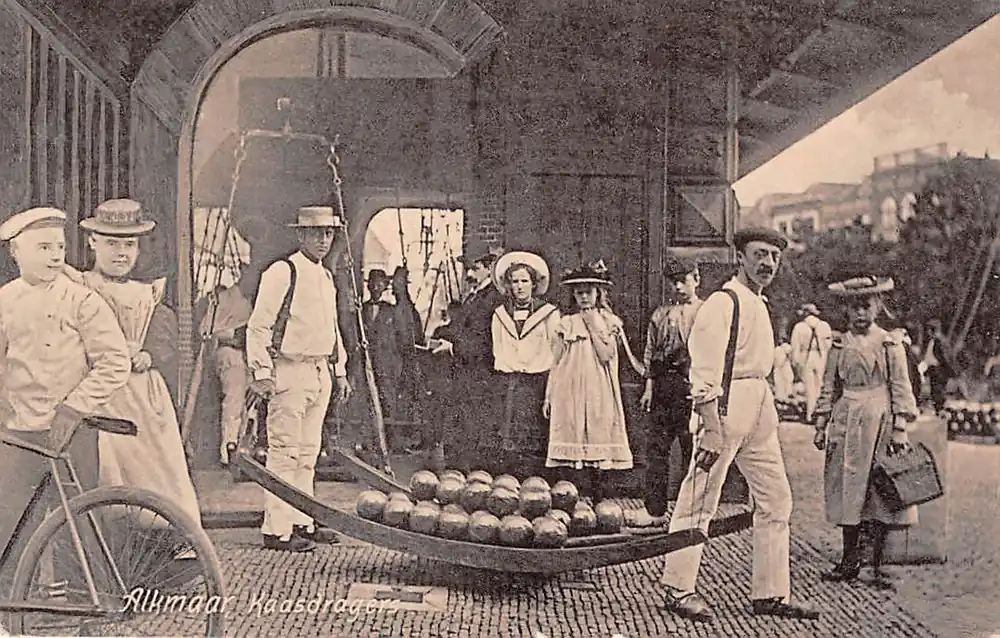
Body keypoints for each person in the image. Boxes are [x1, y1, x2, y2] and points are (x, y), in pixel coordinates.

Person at [659, 227, 819, 622]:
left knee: (776, 500)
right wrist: (711, 427)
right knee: (699, 499)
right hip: (725, 406)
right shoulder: (723, 302)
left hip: (759, 408)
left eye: (774, 257)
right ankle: (678, 589)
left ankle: (771, 593)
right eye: (760, 254)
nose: (767, 263)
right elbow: (703, 370)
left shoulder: (759, 303)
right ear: (741, 257)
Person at [0, 207, 131, 582]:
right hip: (20, 431)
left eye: (59, 247)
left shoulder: (82, 301)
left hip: (72, 433)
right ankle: (13, 602)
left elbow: (115, 362)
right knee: (11, 522)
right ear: (16, 252)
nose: (55, 256)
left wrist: (74, 408)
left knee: (79, 522)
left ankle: (86, 599)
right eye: (43, 248)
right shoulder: (5, 300)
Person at [70, 199, 201, 526]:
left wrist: (150, 353)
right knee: (107, 464)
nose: (121, 253)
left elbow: (164, 333)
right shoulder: (80, 286)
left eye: (129, 245)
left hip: (143, 394)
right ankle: (110, 537)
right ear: (92, 242)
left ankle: (168, 532)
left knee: (157, 466)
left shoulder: (147, 292)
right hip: (100, 386)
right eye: (111, 244)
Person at [247, 206, 351, 553]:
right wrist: (262, 372)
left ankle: (303, 521)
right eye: (315, 233)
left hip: (319, 371)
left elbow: (332, 328)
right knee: (284, 452)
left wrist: (339, 370)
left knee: (308, 453)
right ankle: (276, 529)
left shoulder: (326, 277)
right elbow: (259, 325)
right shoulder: (283, 271)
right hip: (289, 370)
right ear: (300, 235)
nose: (323, 240)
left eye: (328, 233)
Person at [813, 276, 918, 591]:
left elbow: (900, 385)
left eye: (866, 306)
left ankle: (879, 562)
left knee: (880, 489)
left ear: (878, 306)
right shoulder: (839, 344)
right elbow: (829, 385)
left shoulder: (889, 343)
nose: (860, 313)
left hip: (879, 418)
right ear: (846, 310)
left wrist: (900, 427)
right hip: (847, 418)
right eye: (854, 307)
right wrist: (821, 423)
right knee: (848, 488)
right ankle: (849, 560)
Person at [544, 260, 633, 500]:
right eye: (579, 293)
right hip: (570, 387)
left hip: (598, 387)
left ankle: (598, 497)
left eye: (588, 292)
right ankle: (570, 497)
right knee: (571, 432)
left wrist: (593, 324)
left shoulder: (609, 322)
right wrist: (549, 395)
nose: (584, 297)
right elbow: (556, 362)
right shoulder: (566, 324)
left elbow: (606, 355)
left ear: (598, 293)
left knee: (597, 432)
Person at [627, 256, 701, 528]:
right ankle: (655, 511)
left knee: (692, 449)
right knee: (657, 450)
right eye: (673, 282)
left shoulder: (706, 312)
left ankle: (691, 514)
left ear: (696, 279)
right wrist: (649, 387)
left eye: (683, 280)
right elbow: (651, 352)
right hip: (663, 386)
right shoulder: (661, 314)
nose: (678, 287)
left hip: (693, 385)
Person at [430, 243, 503, 473]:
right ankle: (457, 474)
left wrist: (453, 348)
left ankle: (469, 476)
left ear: (489, 268)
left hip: (479, 374)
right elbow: (461, 328)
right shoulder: (474, 296)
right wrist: (442, 336)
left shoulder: (492, 299)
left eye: (475, 268)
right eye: (468, 268)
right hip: (463, 372)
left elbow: (484, 340)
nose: (469, 273)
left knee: (473, 426)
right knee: (460, 424)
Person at [490, 251, 560, 479]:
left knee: (535, 434)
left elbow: (555, 350)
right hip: (510, 381)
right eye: (515, 281)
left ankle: (536, 481)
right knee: (509, 434)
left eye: (524, 281)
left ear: (533, 284)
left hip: (538, 382)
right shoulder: (500, 315)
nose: (519, 287)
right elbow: (499, 348)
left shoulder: (548, 313)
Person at [198, 273, 256, 465]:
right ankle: (229, 446)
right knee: (234, 397)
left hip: (249, 355)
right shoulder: (224, 297)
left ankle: (244, 445)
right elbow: (206, 329)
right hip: (229, 353)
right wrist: (237, 334)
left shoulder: (252, 299)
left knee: (250, 402)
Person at [362, 268, 405, 449]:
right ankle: (371, 442)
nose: (376, 287)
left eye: (380, 283)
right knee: (368, 400)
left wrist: (397, 364)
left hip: (388, 365)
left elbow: (401, 339)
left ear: (385, 286)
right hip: (368, 362)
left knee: (389, 401)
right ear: (368, 286)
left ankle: (392, 442)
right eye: (373, 283)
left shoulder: (392, 311)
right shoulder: (361, 310)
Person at [790, 303, 832, 424]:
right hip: (821, 356)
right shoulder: (824, 325)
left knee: (809, 387)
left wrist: (796, 362)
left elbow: (795, 346)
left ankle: (809, 414)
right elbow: (829, 345)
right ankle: (819, 413)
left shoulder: (799, 327)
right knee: (820, 384)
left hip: (806, 357)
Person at [919, 319, 953, 413]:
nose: (927, 332)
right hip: (934, 369)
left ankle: (940, 409)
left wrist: (949, 370)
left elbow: (944, 357)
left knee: (938, 390)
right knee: (935, 390)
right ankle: (939, 409)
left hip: (939, 369)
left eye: (929, 329)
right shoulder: (933, 340)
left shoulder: (939, 341)